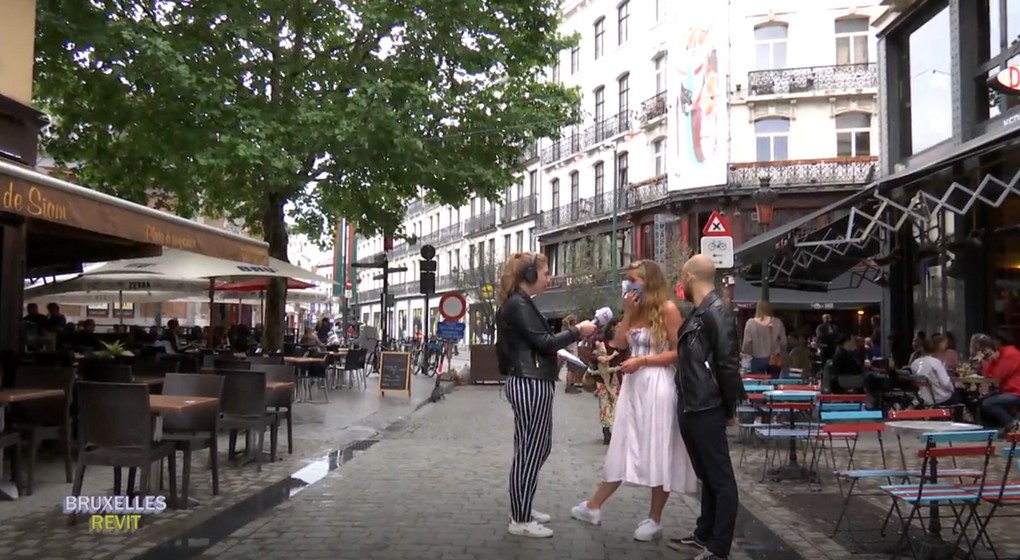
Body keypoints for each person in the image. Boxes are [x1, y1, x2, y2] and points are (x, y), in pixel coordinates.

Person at [571, 260, 696, 542]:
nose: (629, 285)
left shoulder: (668, 309)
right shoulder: (636, 311)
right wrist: (627, 312)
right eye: (627, 279)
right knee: (624, 441)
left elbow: (679, 352)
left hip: (657, 382)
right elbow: (618, 343)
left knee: (658, 446)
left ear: (648, 281)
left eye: (634, 279)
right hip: (634, 385)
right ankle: (594, 505)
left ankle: (655, 518)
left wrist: (644, 361)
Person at [495, 252, 597, 538]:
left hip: (531, 379)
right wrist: (578, 331)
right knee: (531, 449)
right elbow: (545, 341)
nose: (549, 278)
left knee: (533, 447)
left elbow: (535, 344)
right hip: (530, 382)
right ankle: (520, 518)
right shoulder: (519, 304)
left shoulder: (520, 303)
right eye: (545, 273)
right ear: (529, 275)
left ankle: (522, 507)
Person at [668, 254, 742, 560]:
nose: (680, 282)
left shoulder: (717, 312)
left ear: (690, 276)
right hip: (692, 403)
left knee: (720, 478)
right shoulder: (699, 312)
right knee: (707, 475)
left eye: (682, 275)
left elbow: (727, 364)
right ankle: (704, 533)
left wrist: (729, 409)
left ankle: (718, 547)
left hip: (706, 404)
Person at [979, 331, 1020, 432]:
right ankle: (990, 429)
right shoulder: (1003, 353)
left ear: (999, 341)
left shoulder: (1009, 353)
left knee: (988, 403)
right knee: (983, 400)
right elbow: (988, 375)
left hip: (1015, 392)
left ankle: (1012, 424)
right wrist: (991, 360)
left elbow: (997, 376)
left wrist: (990, 361)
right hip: (1008, 390)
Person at [741, 301, 787, 377]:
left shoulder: (750, 323)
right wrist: (783, 354)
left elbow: (746, 343)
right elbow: (784, 342)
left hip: (757, 358)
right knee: (774, 380)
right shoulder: (778, 322)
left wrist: (747, 353)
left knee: (759, 381)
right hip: (774, 359)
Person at [909, 337, 959, 407]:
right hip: (940, 399)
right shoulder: (935, 362)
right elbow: (946, 383)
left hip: (923, 399)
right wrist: (953, 389)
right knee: (960, 393)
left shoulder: (914, 364)